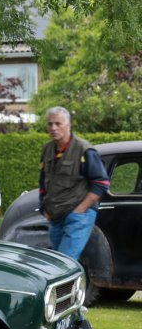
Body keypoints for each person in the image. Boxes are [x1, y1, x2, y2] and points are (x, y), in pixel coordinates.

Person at [39, 106, 110, 261]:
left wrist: (80, 209)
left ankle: (72, 285)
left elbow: (101, 182)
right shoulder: (47, 149)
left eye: (58, 123)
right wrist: (44, 208)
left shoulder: (84, 149)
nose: (53, 128)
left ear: (68, 125)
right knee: (57, 264)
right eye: (50, 124)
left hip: (77, 216)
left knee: (65, 262)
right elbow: (43, 181)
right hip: (55, 216)